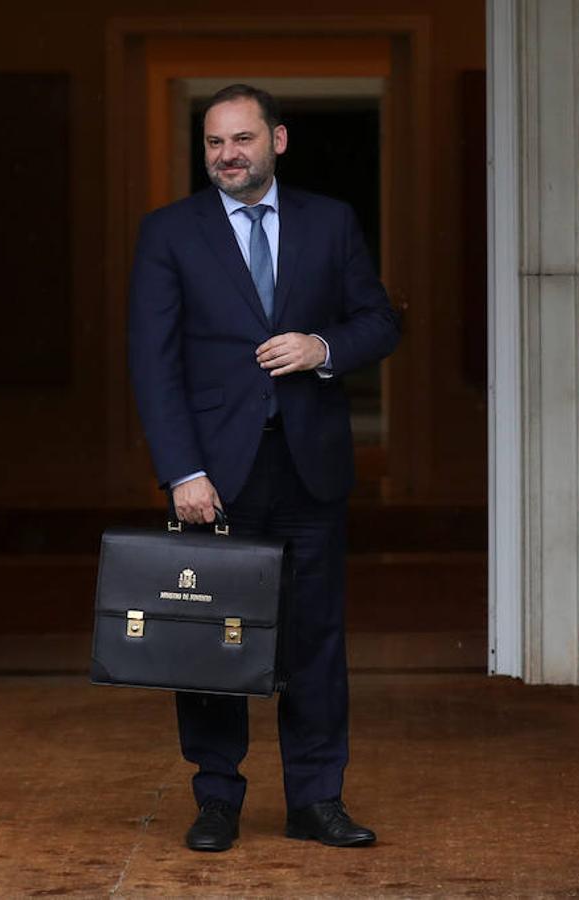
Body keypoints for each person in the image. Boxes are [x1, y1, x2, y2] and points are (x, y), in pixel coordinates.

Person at [127, 83, 401, 852]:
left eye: (242, 139)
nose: (228, 155)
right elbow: (153, 365)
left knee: (314, 645)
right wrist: (182, 472)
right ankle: (217, 800)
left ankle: (316, 800)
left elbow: (378, 321)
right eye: (214, 143)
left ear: (277, 141)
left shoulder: (330, 222)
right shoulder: (169, 233)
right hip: (216, 477)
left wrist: (323, 350)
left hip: (310, 471)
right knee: (213, 642)